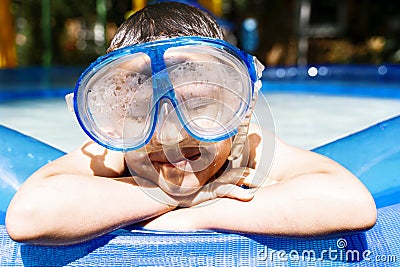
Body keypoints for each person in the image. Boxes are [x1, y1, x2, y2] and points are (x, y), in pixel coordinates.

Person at [5, 2, 376, 246]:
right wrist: (176, 196)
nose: (171, 132)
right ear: (114, 119)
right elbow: (29, 216)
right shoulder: (118, 146)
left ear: (241, 105)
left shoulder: (247, 142)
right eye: (140, 110)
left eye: (198, 105)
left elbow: (350, 204)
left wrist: (197, 217)